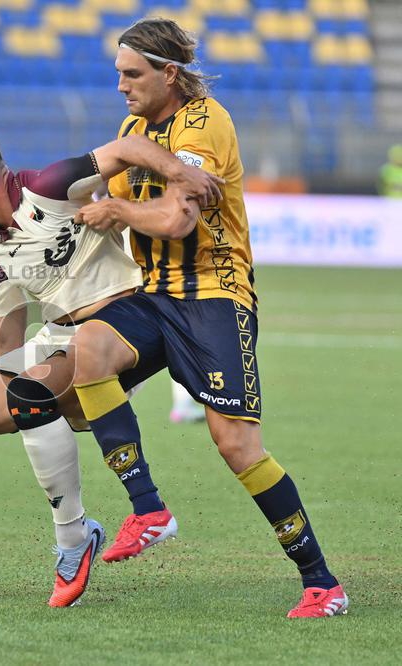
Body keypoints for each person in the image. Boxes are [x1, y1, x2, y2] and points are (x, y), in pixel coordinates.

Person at [0, 125, 221, 607]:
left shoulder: (50, 187)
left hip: (116, 335)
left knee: (28, 392)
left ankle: (74, 540)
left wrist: (182, 173)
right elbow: (5, 338)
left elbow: (129, 149)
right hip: (54, 340)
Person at [70, 18, 347, 618]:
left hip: (215, 294)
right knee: (87, 350)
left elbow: (177, 220)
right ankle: (148, 509)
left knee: (236, 445)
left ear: (168, 73)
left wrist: (116, 207)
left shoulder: (205, 122)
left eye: (132, 73)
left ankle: (322, 583)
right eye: (118, 74)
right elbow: (93, 197)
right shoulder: (133, 129)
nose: (121, 85)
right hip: (155, 295)